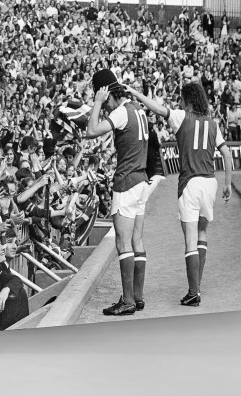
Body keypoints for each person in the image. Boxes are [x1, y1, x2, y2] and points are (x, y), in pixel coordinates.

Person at [128, 82, 232, 306]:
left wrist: (136, 94)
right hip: (210, 183)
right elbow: (226, 152)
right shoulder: (213, 124)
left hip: (190, 184)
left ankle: (193, 293)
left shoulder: (181, 117)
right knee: (203, 233)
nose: (180, 103)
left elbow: (157, 108)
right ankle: (197, 287)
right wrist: (228, 184)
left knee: (190, 240)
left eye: (182, 100)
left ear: (188, 100)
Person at [85, 69, 149, 316]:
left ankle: (128, 301)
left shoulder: (119, 111)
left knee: (123, 243)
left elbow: (91, 131)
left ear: (105, 92)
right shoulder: (137, 109)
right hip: (142, 179)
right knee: (137, 240)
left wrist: (96, 103)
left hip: (126, 181)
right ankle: (138, 297)